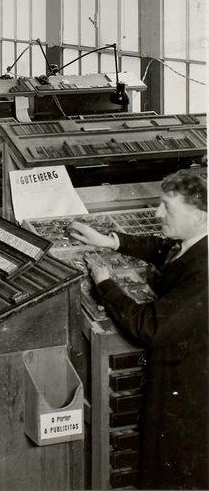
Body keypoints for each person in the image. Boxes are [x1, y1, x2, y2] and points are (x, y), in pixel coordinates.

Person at [68, 170, 207, 490]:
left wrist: (105, 283)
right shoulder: (194, 242)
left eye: (167, 207)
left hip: (189, 392)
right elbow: (162, 249)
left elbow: (148, 327)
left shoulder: (204, 273)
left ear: (200, 215)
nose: (157, 213)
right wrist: (110, 241)